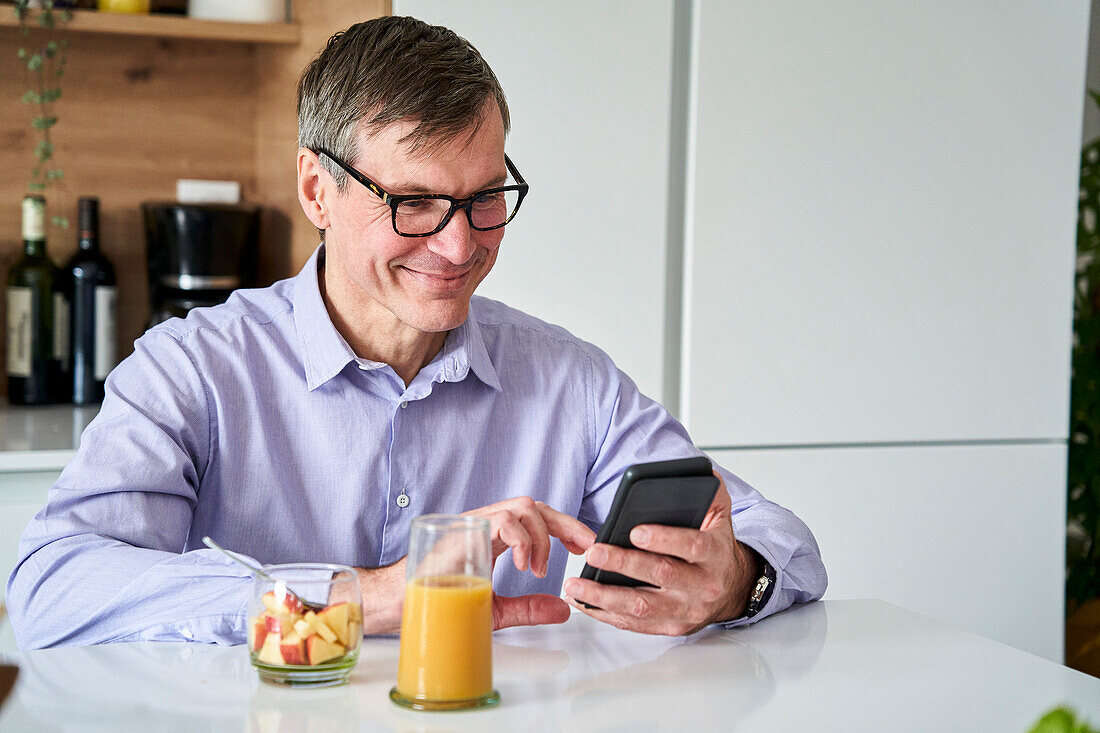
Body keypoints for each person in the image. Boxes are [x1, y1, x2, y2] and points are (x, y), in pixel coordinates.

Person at [6, 16, 826, 648]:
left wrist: (733, 582)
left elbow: (773, 535)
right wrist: (367, 596)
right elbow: (53, 585)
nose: (460, 244)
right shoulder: (192, 369)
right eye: (414, 203)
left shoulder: (570, 382)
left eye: (484, 198)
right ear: (316, 190)